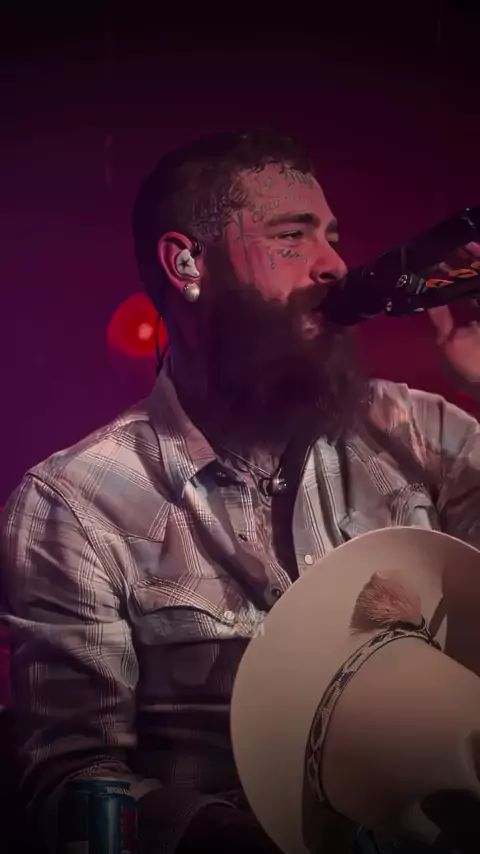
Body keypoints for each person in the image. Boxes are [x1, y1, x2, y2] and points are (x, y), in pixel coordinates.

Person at [1, 129, 480, 854]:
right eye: (292, 236)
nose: (335, 263)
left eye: (333, 237)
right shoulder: (75, 503)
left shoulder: (420, 432)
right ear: (186, 263)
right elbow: (71, 781)